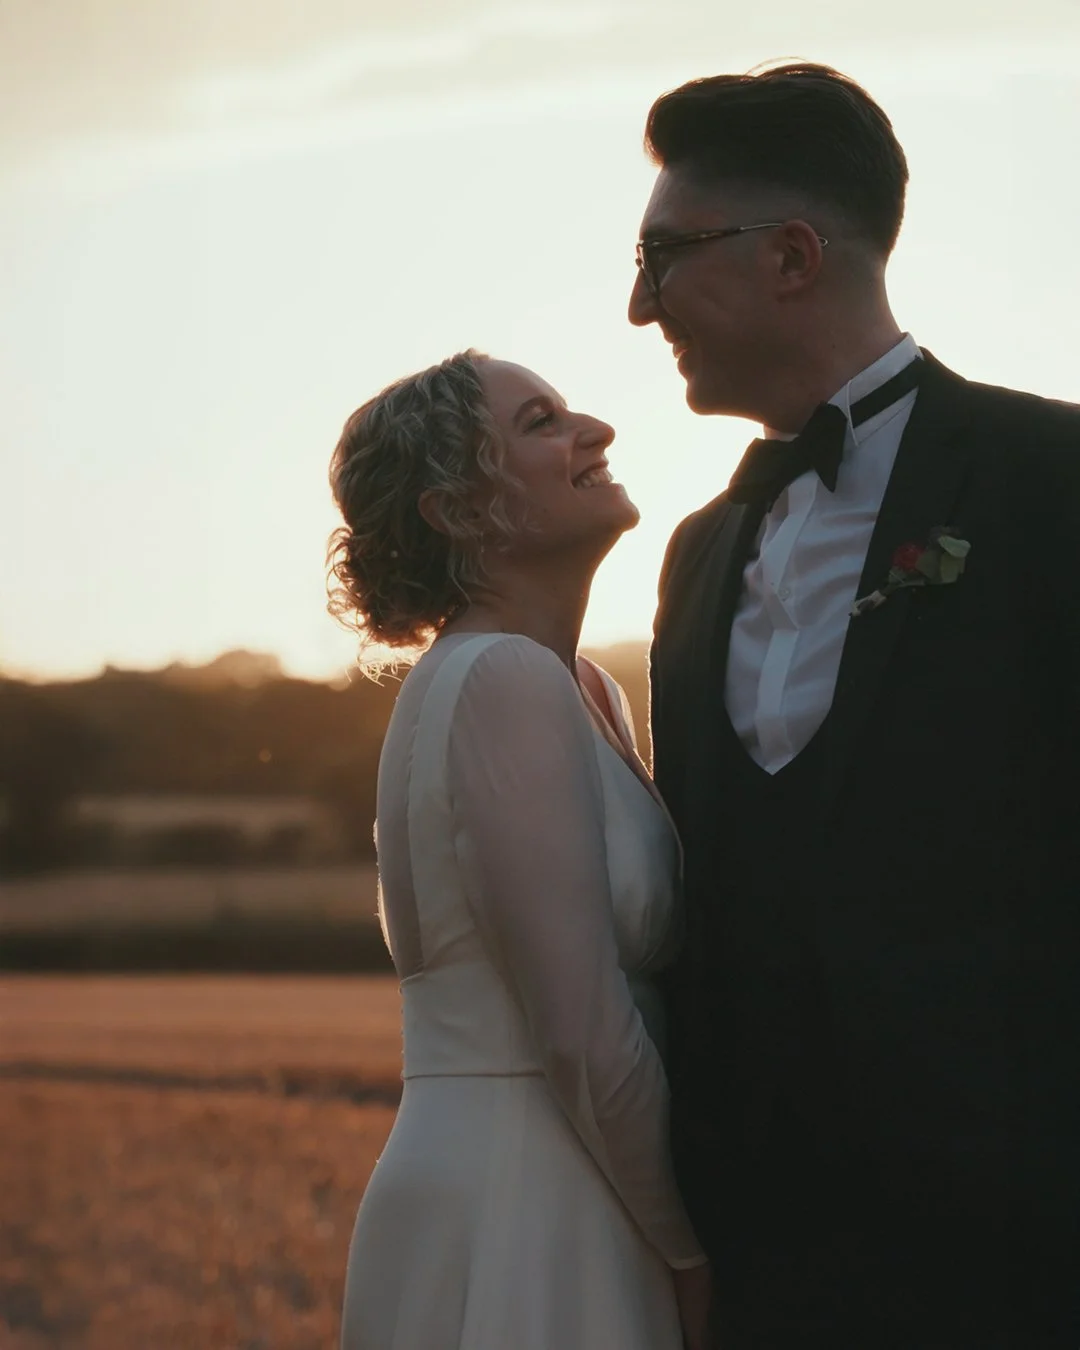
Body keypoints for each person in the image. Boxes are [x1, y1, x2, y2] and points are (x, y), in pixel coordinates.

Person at [630, 62, 1080, 1349]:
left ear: (789, 256)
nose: (636, 303)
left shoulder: (1054, 482)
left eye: (661, 257)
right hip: (765, 1259)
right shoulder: (699, 550)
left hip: (1023, 1250)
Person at [327, 351, 709, 1350]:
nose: (595, 432)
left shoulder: (582, 686)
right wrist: (692, 1251)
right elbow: (581, 1030)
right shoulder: (503, 679)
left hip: (556, 1174)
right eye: (542, 421)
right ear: (458, 509)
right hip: (534, 1200)